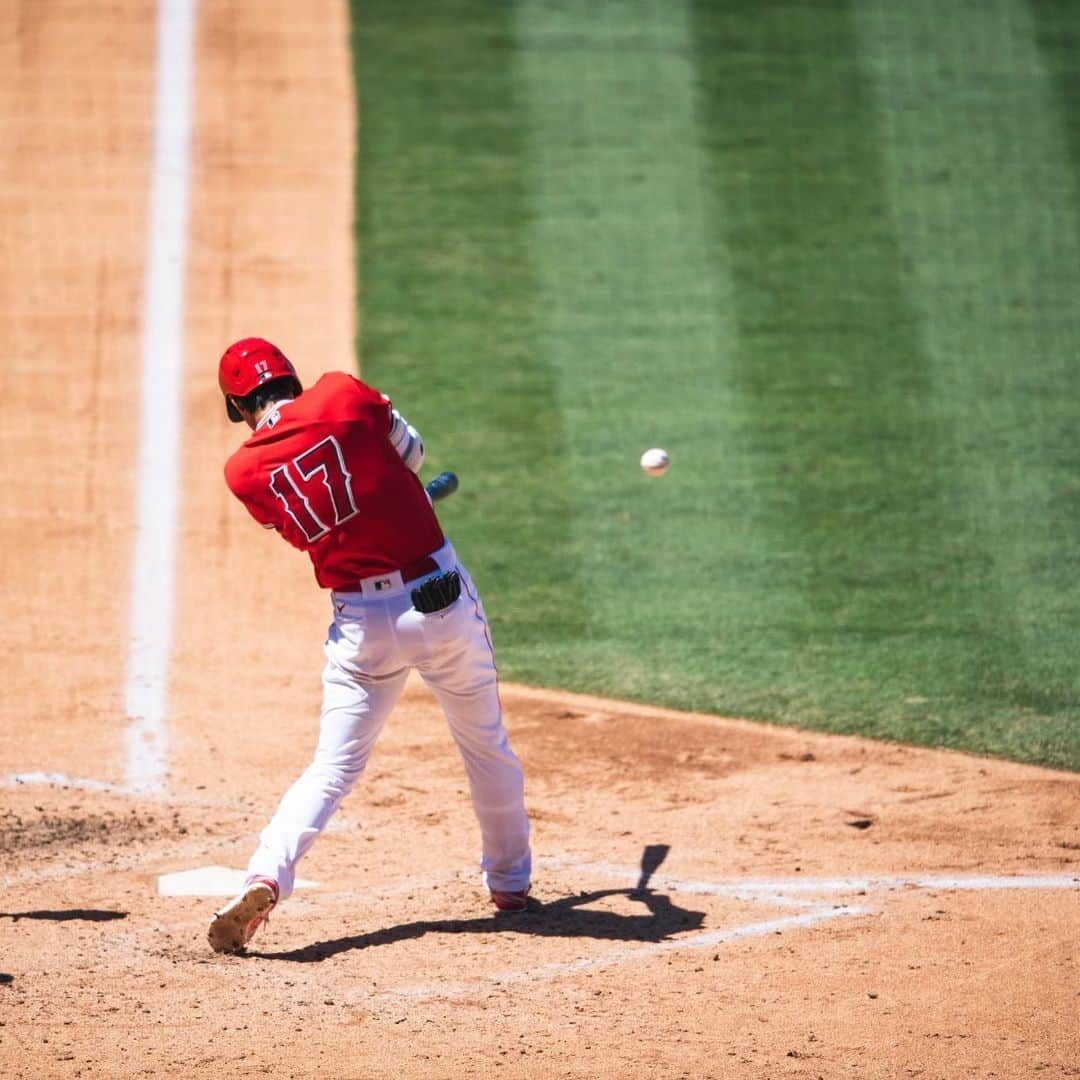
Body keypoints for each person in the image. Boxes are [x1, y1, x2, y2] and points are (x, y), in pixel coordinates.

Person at [207, 337, 532, 954]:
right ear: (289, 380)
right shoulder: (341, 393)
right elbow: (411, 454)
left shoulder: (242, 473)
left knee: (331, 768)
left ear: (239, 406)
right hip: (437, 600)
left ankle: (265, 874)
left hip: (360, 623)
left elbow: (311, 528)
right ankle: (510, 884)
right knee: (484, 744)